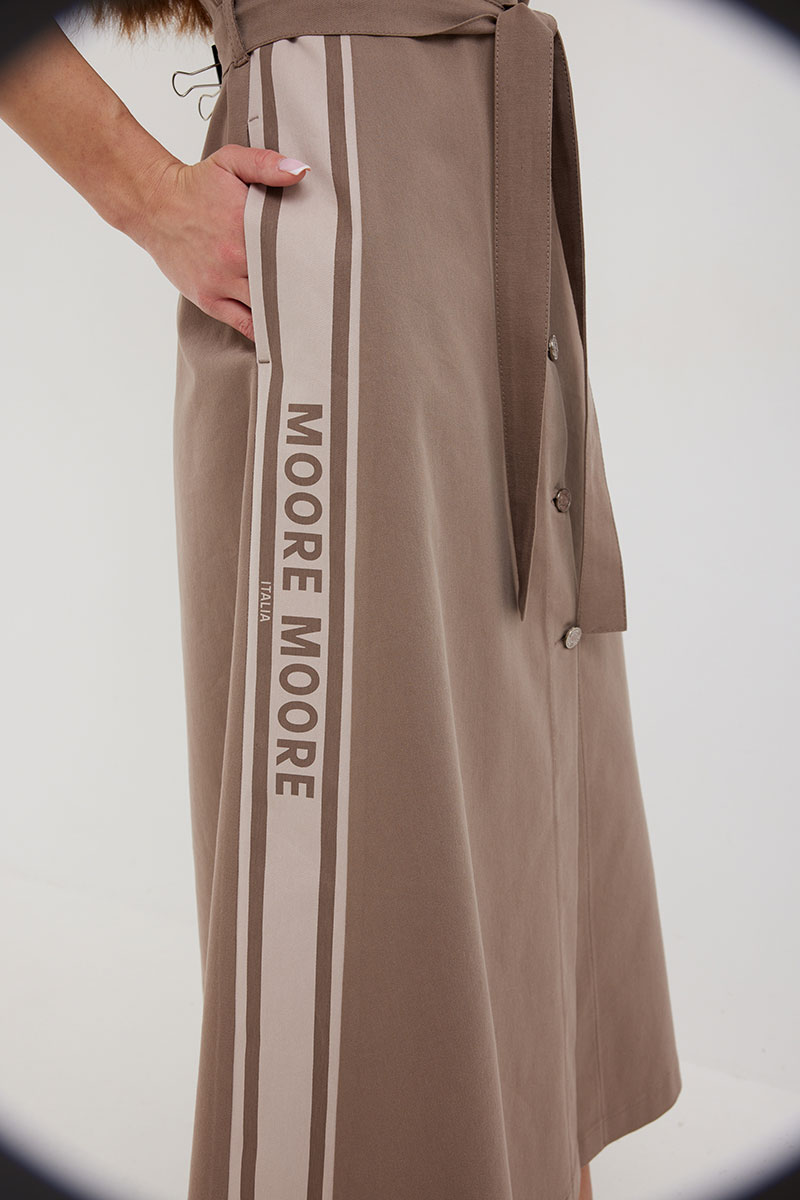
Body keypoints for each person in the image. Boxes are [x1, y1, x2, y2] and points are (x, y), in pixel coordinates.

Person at [0, 4, 682, 1199]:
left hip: (493, 191)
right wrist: (149, 199)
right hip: (335, 192)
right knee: (375, 834)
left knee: (522, 788)